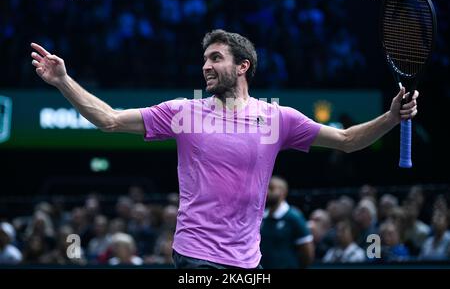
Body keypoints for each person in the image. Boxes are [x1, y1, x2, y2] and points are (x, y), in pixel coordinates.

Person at [30, 29, 419, 269]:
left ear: (243, 66)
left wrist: (390, 118)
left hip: (248, 261)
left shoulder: (277, 118)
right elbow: (109, 120)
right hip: (194, 254)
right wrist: (64, 81)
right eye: (204, 59)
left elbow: (348, 141)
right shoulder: (184, 112)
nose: (206, 66)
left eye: (216, 58)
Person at [260, 176, 314, 268]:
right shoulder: (261, 217)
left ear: (283, 192)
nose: (267, 192)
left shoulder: (294, 217)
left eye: (271, 188)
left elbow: (308, 252)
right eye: (266, 188)